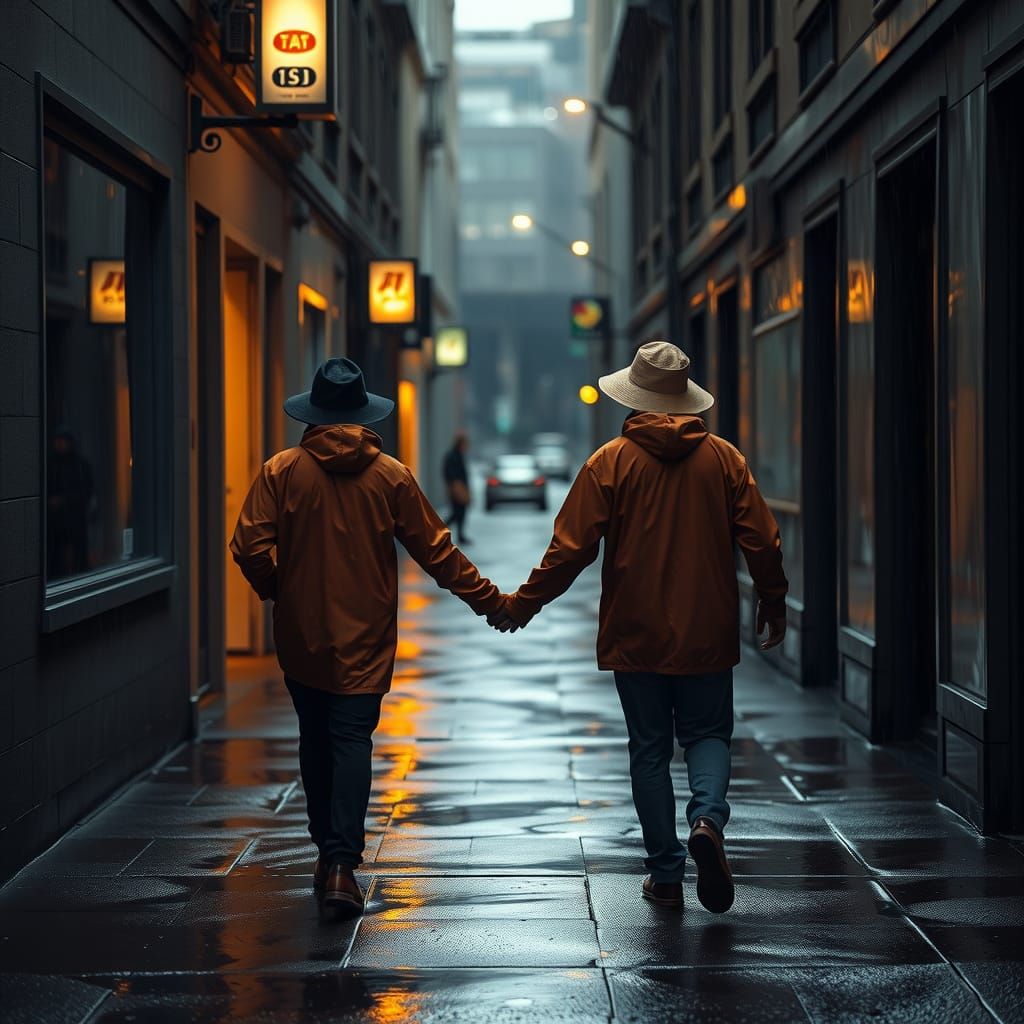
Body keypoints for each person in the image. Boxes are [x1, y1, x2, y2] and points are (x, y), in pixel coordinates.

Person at [488, 341, 787, 913]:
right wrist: (773, 602)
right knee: (707, 736)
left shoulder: (610, 462)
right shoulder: (725, 460)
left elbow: (568, 550)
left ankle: (666, 873)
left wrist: (522, 605)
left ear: (634, 396)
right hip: (706, 631)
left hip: (636, 633)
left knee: (649, 750)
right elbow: (763, 540)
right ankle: (707, 821)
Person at [231, 358, 505, 919]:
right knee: (352, 739)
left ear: (313, 414)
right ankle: (341, 864)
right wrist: (492, 602)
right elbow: (438, 553)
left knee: (315, 737)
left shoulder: (281, 471)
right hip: (366, 636)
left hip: (302, 635)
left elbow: (249, 546)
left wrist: (279, 591)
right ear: (362, 414)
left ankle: (325, 849)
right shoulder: (391, 476)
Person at [442, 433, 472, 545]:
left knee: (461, 512)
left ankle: (460, 535)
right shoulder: (453, 456)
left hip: (460, 488)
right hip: (456, 489)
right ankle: (441, 532)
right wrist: (454, 485)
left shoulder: (458, 455)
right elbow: (449, 473)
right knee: (456, 513)